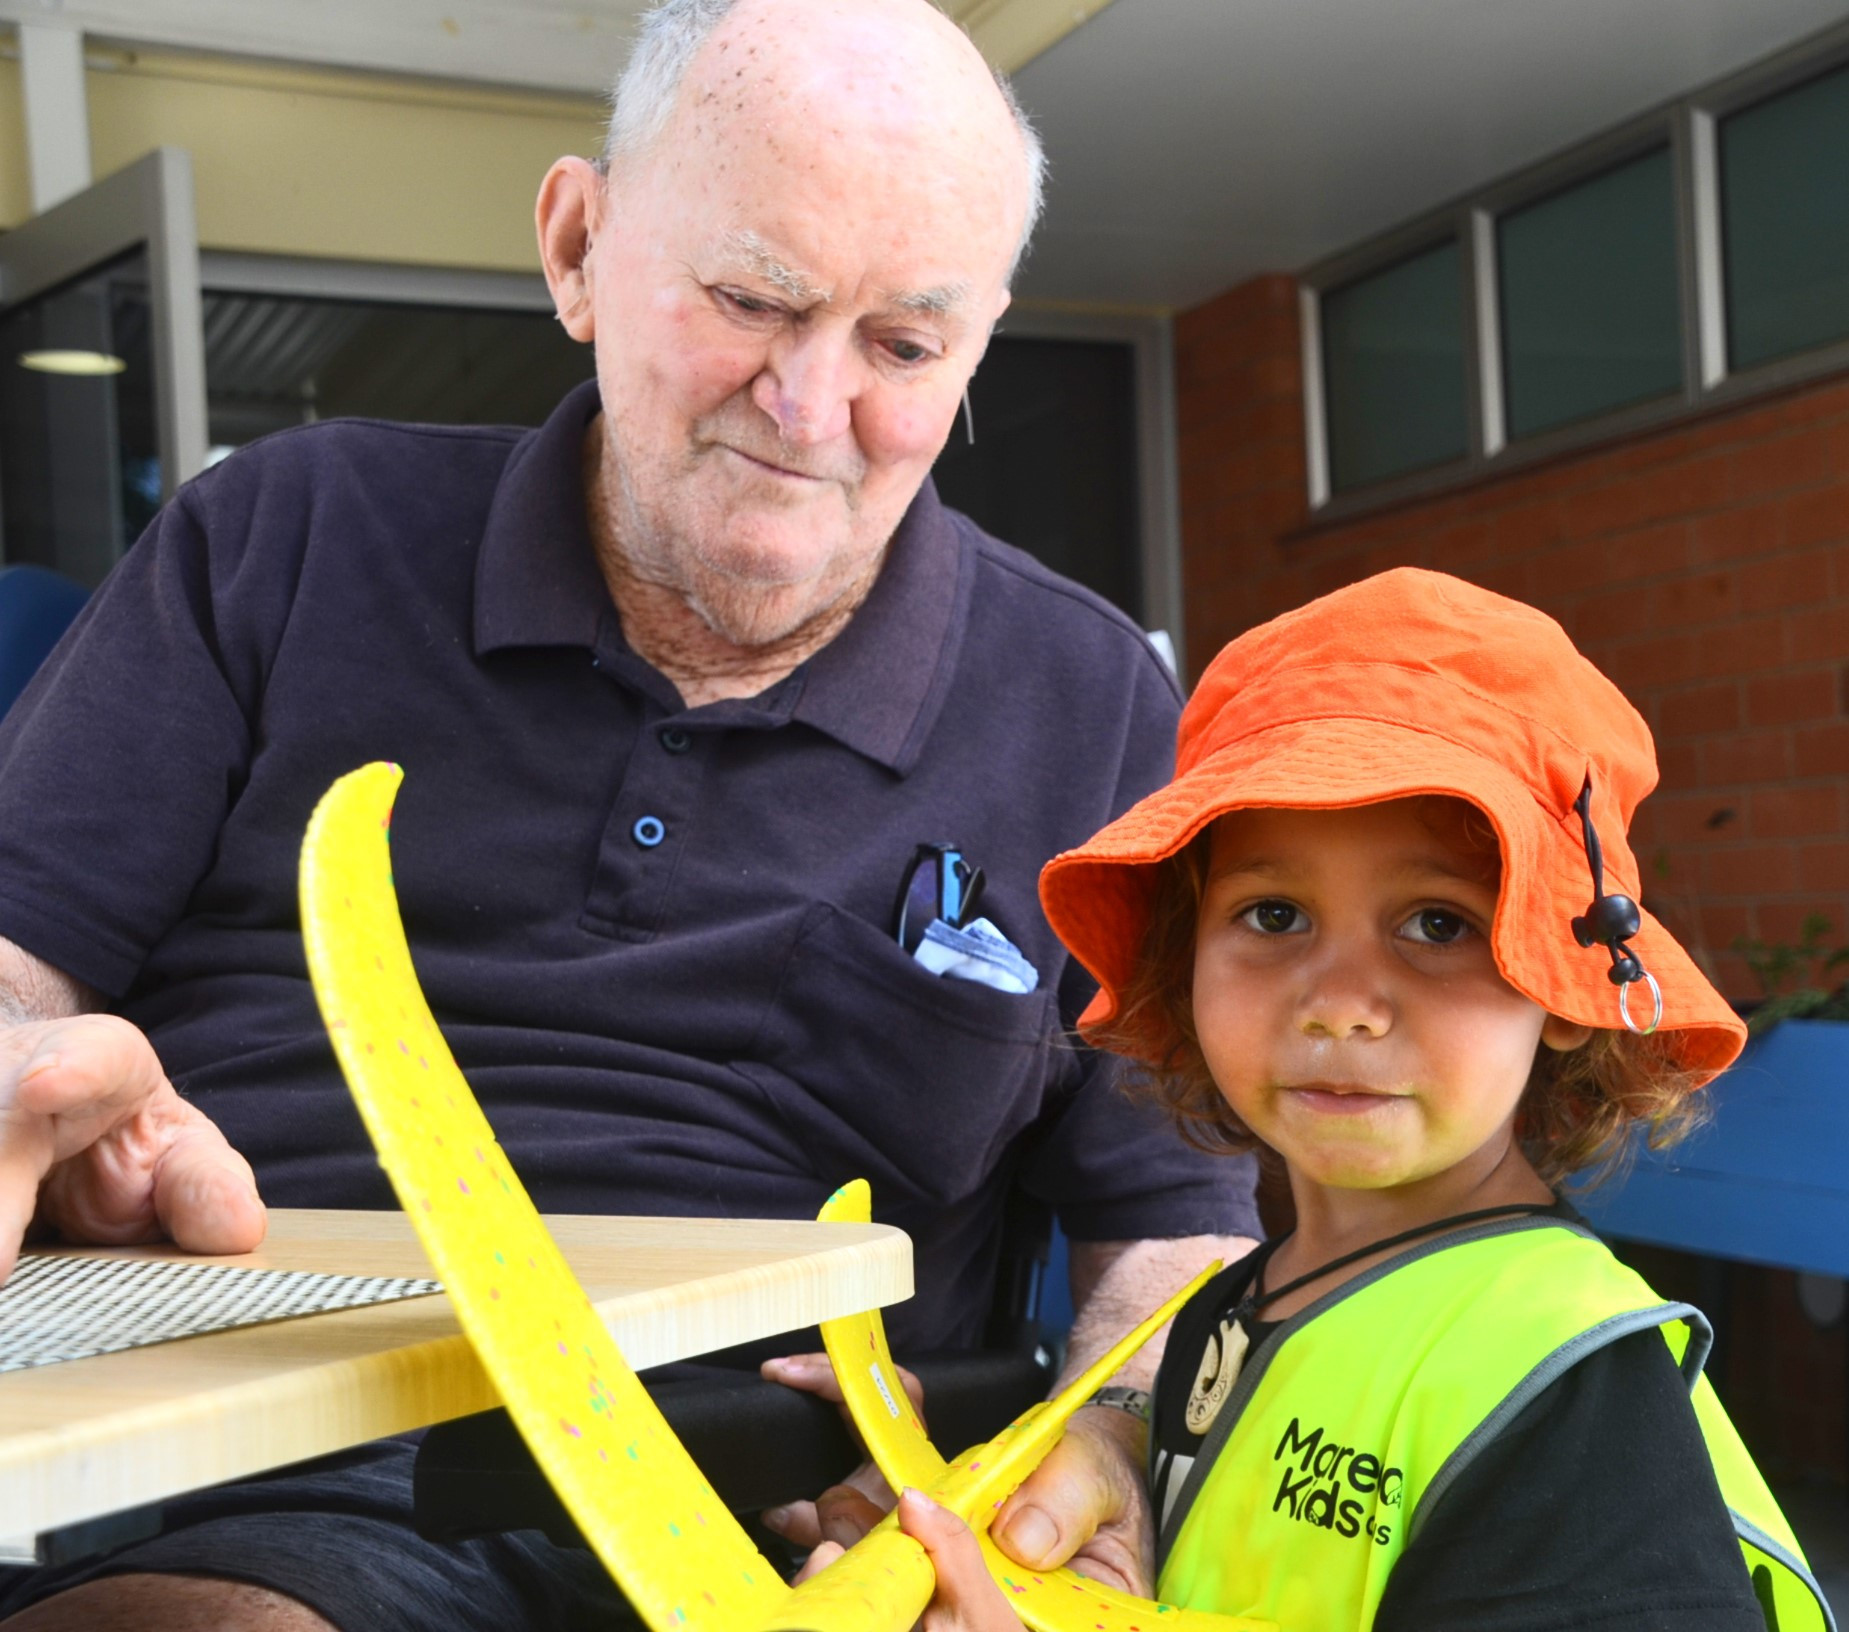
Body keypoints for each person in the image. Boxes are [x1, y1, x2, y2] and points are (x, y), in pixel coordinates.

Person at [0, 2, 1260, 1627]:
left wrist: (1082, 1467)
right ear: (579, 247)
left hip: (752, 1512)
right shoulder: (281, 537)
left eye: (902, 345)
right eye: (749, 298)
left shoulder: (1085, 699)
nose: (809, 410)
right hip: (176, 1434)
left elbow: (1164, 1240)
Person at [844, 568, 1831, 1632]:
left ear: (1562, 983)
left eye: (1437, 925)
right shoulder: (1231, 1308)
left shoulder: (1566, 1386)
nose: (1341, 1004)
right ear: (1187, 958)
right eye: (1273, 915)